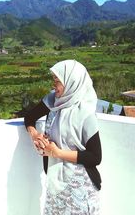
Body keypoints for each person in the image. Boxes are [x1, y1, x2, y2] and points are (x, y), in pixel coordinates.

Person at [24, 59, 102, 215]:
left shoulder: (85, 113)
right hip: (55, 181)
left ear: (72, 82)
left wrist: (57, 153)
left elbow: (95, 157)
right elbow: (30, 117)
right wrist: (35, 135)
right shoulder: (53, 101)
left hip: (80, 185)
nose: (54, 85)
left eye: (58, 81)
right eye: (53, 80)